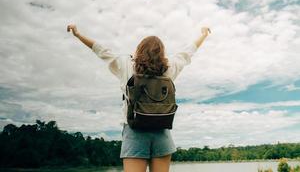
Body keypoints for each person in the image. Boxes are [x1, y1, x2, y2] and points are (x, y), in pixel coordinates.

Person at [67, 24, 211, 172]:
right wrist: (204, 35)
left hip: (134, 131)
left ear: (139, 50)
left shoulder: (126, 65)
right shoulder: (170, 67)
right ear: (162, 53)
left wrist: (78, 34)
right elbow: (189, 51)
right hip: (162, 131)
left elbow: (99, 49)